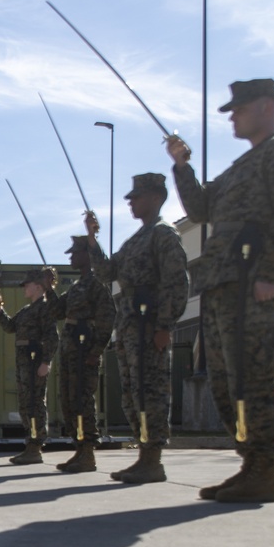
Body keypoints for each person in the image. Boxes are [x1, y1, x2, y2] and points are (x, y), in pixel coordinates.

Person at [167, 80, 274, 503]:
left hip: (254, 283)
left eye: (238, 109)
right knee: (226, 381)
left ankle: (265, 468)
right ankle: (250, 464)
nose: (232, 117)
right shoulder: (242, 166)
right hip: (221, 288)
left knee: (255, 375)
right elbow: (201, 209)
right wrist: (182, 166)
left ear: (265, 107)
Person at [85, 174, 188, 484]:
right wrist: (92, 239)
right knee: (132, 393)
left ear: (156, 197)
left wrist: (165, 326)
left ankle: (153, 459)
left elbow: (177, 283)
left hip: (149, 324)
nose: (130, 202)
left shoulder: (163, 234)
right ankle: (143, 453)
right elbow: (105, 272)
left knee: (151, 391)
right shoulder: (135, 240)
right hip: (129, 327)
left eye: (137, 196)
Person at [46, 236, 115, 473]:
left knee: (83, 400)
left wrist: (96, 351)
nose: (71, 257)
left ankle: (88, 453)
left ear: (87, 256)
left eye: (75, 253)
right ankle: (79, 449)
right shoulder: (76, 286)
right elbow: (56, 311)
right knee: (69, 401)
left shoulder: (97, 284)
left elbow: (107, 319)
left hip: (85, 351)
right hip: (70, 352)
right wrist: (48, 289)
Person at [0, 270, 58, 464]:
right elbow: (9, 326)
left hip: (35, 360)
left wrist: (46, 362)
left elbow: (52, 337)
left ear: (38, 286)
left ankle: (36, 445)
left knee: (35, 402)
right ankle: (30, 444)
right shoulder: (26, 310)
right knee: (25, 403)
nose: (24, 288)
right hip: (23, 363)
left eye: (27, 284)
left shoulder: (45, 308)